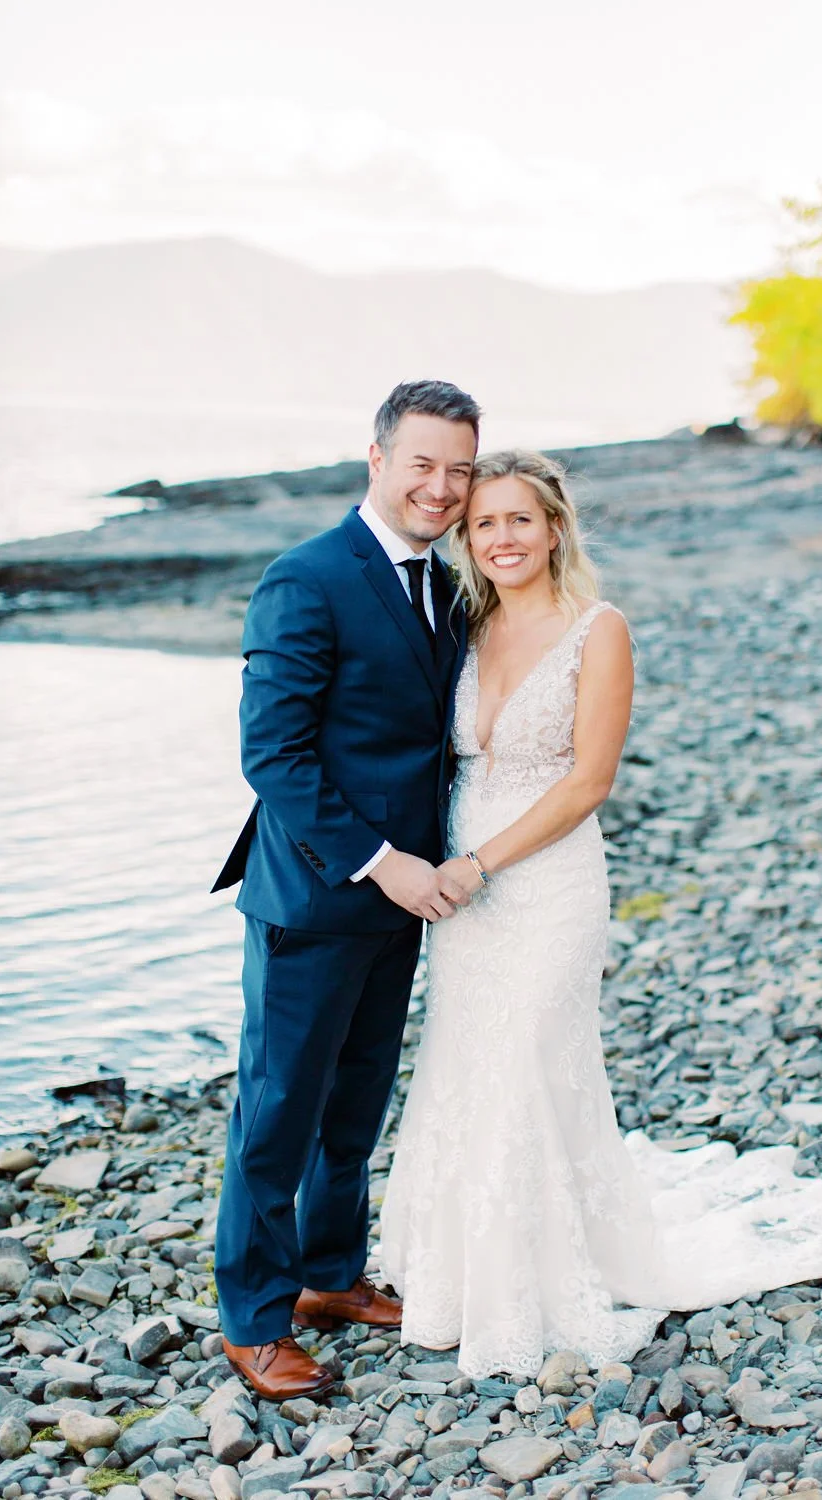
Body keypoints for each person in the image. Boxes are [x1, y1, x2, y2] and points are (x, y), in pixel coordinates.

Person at [379, 449, 822, 1379]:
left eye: (519, 519)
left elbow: (590, 780)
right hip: (461, 889)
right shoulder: (462, 626)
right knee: (465, 1059)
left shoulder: (598, 630)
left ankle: (540, 1287)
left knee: (525, 1055)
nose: (502, 538)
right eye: (484, 523)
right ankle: (458, 1276)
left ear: (554, 527)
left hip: (544, 879)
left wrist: (480, 864)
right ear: (466, 540)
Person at [210, 379, 480, 1399]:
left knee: (353, 1105)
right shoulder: (306, 578)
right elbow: (271, 754)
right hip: (318, 896)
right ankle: (254, 1317)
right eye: (422, 464)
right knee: (276, 1110)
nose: (441, 487)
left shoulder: (446, 586)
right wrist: (379, 861)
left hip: (406, 900)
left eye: (458, 469)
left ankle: (329, 1276)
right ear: (376, 460)